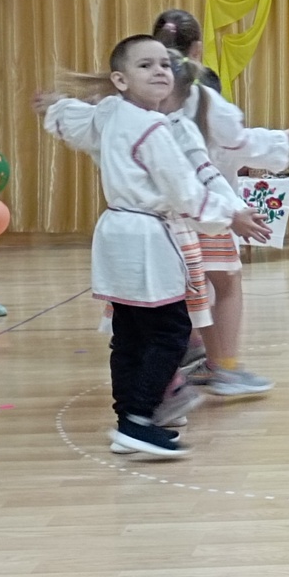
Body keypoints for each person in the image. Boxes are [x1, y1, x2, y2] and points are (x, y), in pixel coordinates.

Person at [36, 34, 270, 456]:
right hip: (145, 238)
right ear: (120, 79)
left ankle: (130, 419)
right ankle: (140, 419)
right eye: (145, 65)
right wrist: (231, 215)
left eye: (164, 64)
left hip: (116, 234)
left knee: (129, 334)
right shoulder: (150, 128)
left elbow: (79, 120)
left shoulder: (113, 114)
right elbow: (185, 192)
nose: (159, 71)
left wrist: (55, 107)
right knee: (170, 332)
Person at [153, 9, 289, 395]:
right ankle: (223, 367)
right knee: (226, 281)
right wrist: (287, 137)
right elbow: (236, 144)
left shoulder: (139, 95)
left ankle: (189, 355)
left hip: (160, 214)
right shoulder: (199, 96)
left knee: (183, 286)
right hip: (204, 207)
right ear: (198, 49)